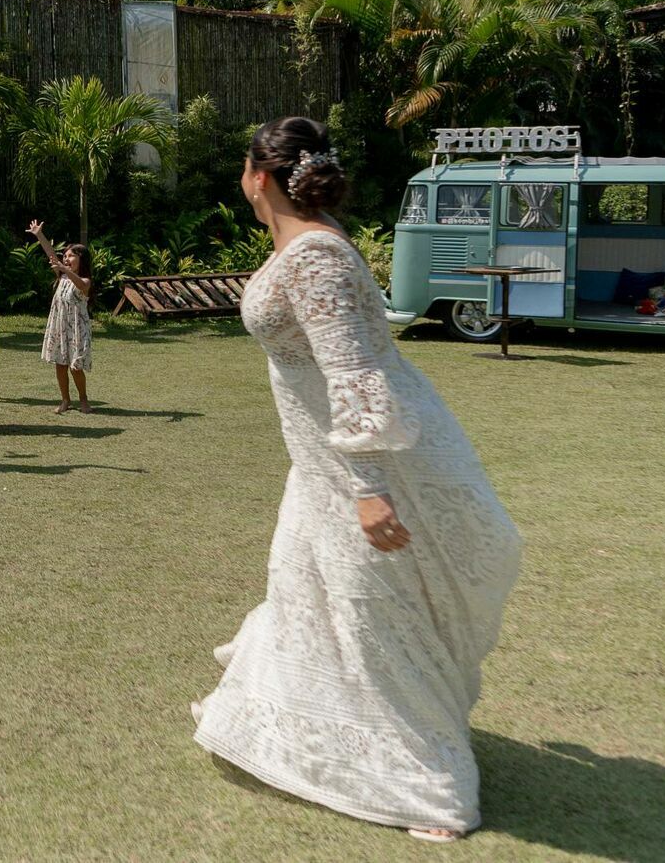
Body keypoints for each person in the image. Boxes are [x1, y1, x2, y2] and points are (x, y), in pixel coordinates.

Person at [192, 117, 522, 843]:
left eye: (242, 169)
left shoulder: (314, 255)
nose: (239, 181)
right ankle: (306, 730)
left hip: (359, 464)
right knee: (303, 591)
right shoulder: (310, 239)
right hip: (319, 462)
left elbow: (353, 371)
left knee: (372, 611)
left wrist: (370, 488)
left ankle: (430, 783)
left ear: (260, 176)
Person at [27, 219, 94, 413]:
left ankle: (83, 399)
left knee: (76, 366)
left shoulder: (85, 280)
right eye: (64, 256)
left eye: (71, 256)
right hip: (59, 326)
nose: (66, 259)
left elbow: (81, 285)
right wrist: (39, 235)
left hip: (77, 329)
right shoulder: (62, 275)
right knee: (60, 364)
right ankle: (65, 400)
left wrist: (65, 270)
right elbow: (50, 253)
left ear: (82, 259)